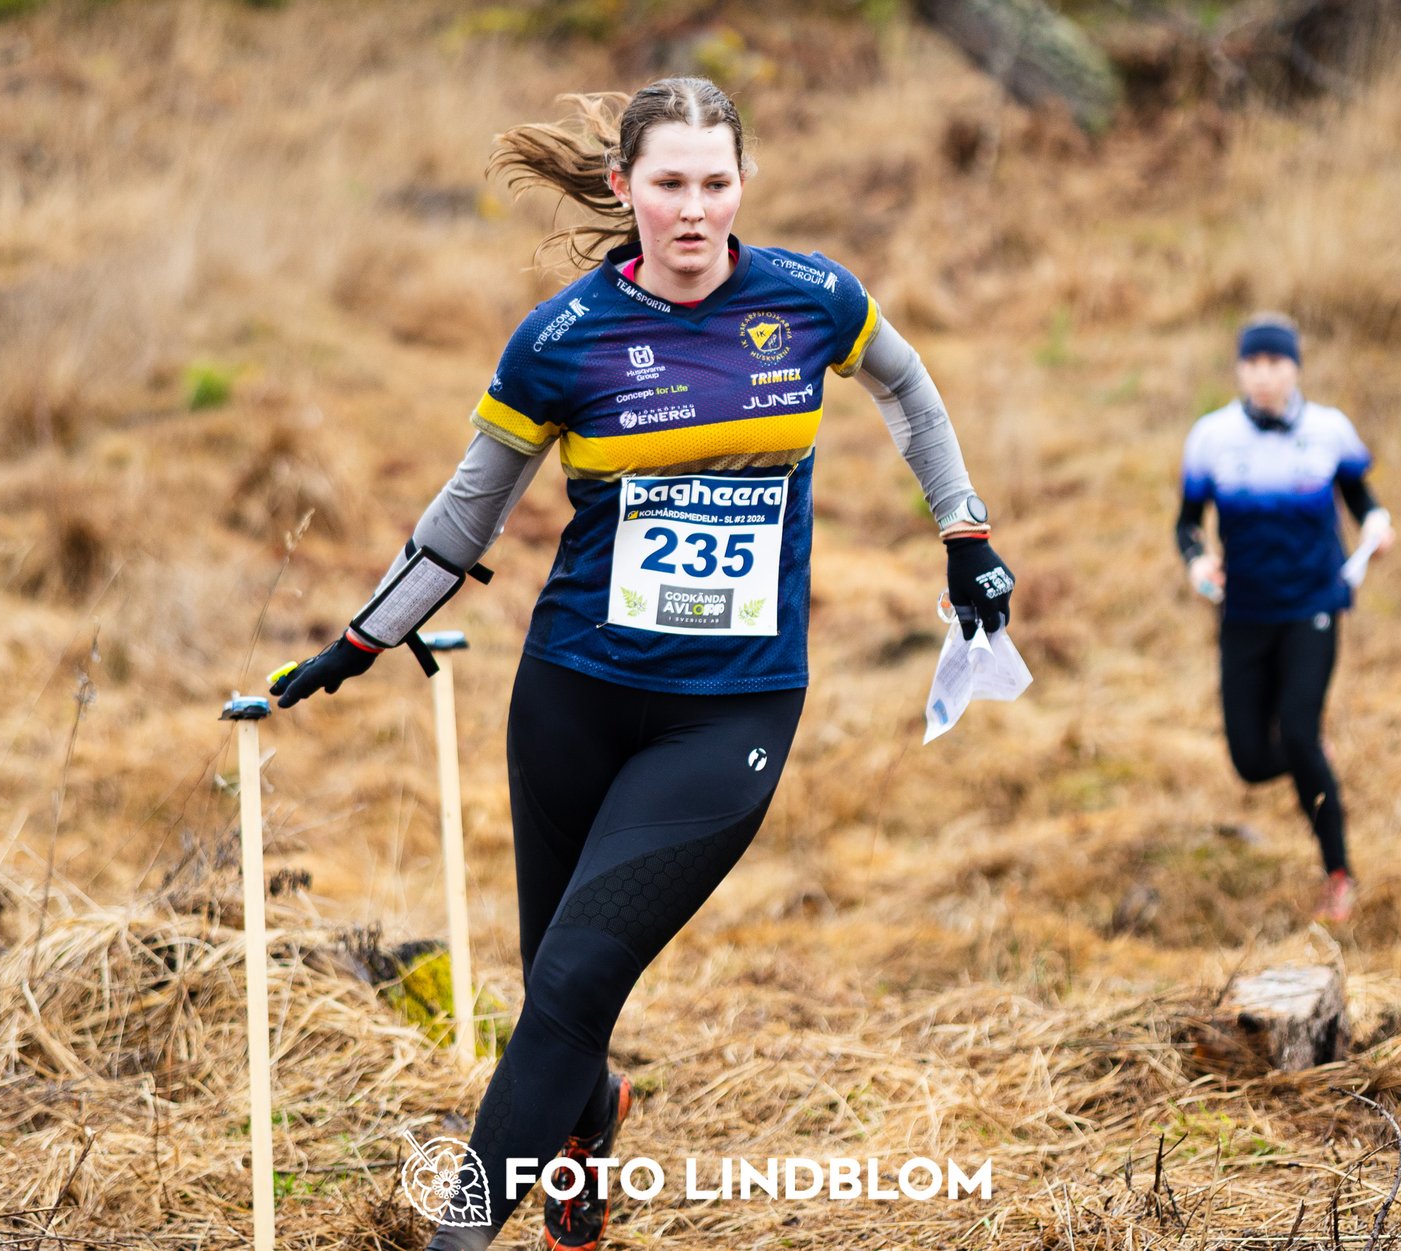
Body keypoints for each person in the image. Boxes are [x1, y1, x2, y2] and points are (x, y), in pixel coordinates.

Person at [257, 77, 1016, 1251]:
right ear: (625, 188)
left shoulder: (812, 301)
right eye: (670, 183)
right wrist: (362, 638)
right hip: (572, 692)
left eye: (718, 183)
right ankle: (588, 1120)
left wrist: (963, 530)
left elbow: (907, 387)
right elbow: (467, 511)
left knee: (564, 995)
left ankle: (458, 1235)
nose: (696, 209)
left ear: (742, 186)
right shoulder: (561, 338)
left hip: (728, 712)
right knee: (559, 992)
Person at [1175, 315, 1389, 925]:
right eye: (1254, 363)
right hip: (1243, 610)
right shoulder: (1211, 437)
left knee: (1296, 730)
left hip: (1312, 605)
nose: (1265, 374)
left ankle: (1339, 875)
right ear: (1240, 369)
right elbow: (1186, 522)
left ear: (1295, 367)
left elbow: (1363, 499)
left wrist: (1376, 524)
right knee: (1249, 758)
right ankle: (1310, 752)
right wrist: (1197, 562)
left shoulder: (1330, 430)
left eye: (1277, 363)